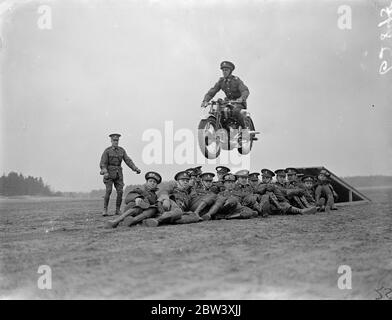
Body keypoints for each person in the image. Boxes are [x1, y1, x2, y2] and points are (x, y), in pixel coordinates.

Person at [99, 133, 141, 216]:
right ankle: (105, 209)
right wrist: (105, 172)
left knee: (120, 192)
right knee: (108, 191)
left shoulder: (122, 150)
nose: (116, 142)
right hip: (109, 173)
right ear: (111, 141)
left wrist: (135, 168)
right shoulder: (107, 151)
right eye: (114, 140)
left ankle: (117, 210)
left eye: (117, 140)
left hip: (119, 174)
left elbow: (128, 160)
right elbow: (103, 163)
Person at [201, 61, 250, 129]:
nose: (224, 72)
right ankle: (223, 129)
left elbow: (245, 91)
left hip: (238, 103)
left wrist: (241, 98)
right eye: (223, 70)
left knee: (235, 111)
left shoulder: (236, 80)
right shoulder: (221, 81)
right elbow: (212, 91)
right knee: (218, 112)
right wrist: (205, 100)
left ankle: (244, 130)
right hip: (227, 102)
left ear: (230, 71)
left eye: (226, 70)